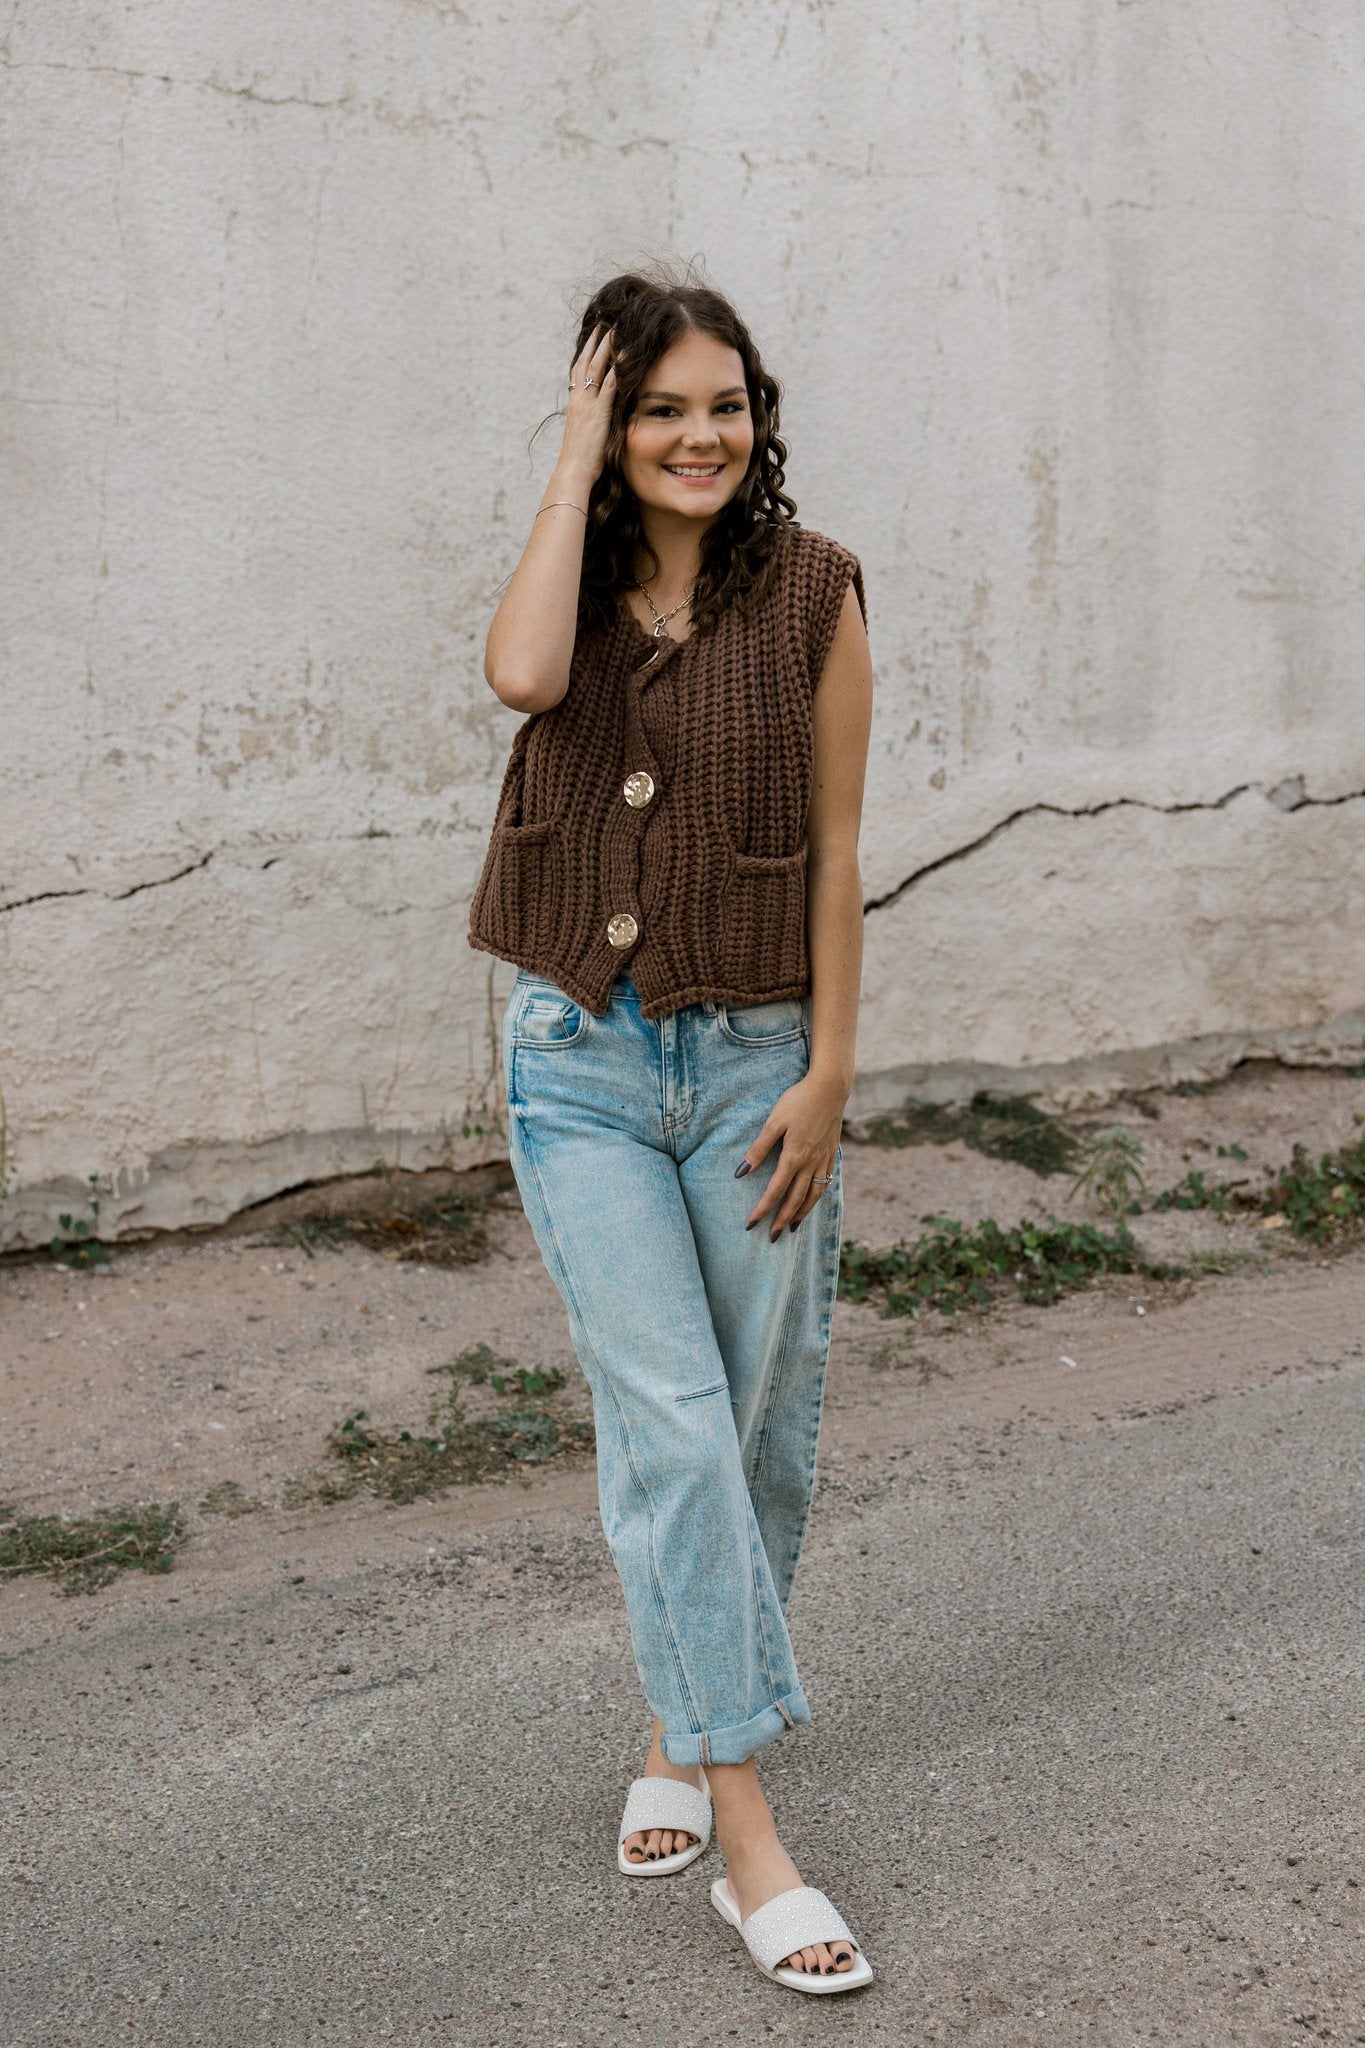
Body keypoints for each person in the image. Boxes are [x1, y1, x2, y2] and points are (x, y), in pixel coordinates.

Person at [467, 267, 875, 1996]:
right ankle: (749, 1828)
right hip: (579, 1058)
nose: (696, 436)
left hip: (757, 1062)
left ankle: (670, 1721)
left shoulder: (818, 593)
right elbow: (519, 675)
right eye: (656, 409)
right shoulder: (576, 566)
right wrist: (569, 461)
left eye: (722, 404)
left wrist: (831, 1074)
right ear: (612, 427)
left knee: (756, 1426)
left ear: (755, 415)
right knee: (672, 1423)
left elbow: (842, 850)